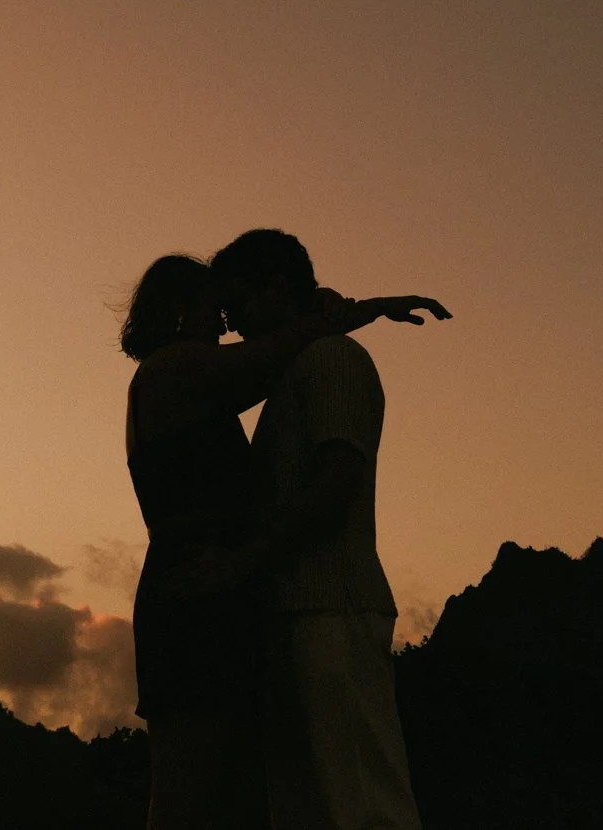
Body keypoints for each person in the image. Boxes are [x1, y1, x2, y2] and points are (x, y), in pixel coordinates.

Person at [120, 252, 446, 830]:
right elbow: (275, 353)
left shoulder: (198, 382)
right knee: (191, 785)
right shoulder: (173, 370)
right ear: (179, 311)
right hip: (197, 584)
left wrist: (330, 311)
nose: (225, 323)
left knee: (234, 787)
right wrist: (354, 311)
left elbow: (280, 357)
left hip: (218, 585)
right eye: (214, 308)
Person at [212, 229, 429, 829]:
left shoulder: (331, 360)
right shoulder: (298, 367)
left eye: (238, 304)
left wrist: (241, 563)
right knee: (315, 802)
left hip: (332, 607)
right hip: (301, 611)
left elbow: (337, 485)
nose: (232, 323)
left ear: (277, 289)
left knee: (361, 798)